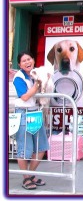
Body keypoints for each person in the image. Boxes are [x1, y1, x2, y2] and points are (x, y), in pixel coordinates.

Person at [12, 51, 49, 190]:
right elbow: (25, 97)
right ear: (19, 64)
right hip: (23, 114)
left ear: (33, 60)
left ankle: (30, 175)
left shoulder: (36, 74)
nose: (27, 62)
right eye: (24, 61)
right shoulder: (18, 77)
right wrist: (37, 85)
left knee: (41, 147)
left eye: (29, 59)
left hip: (36, 112)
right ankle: (26, 178)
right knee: (24, 148)